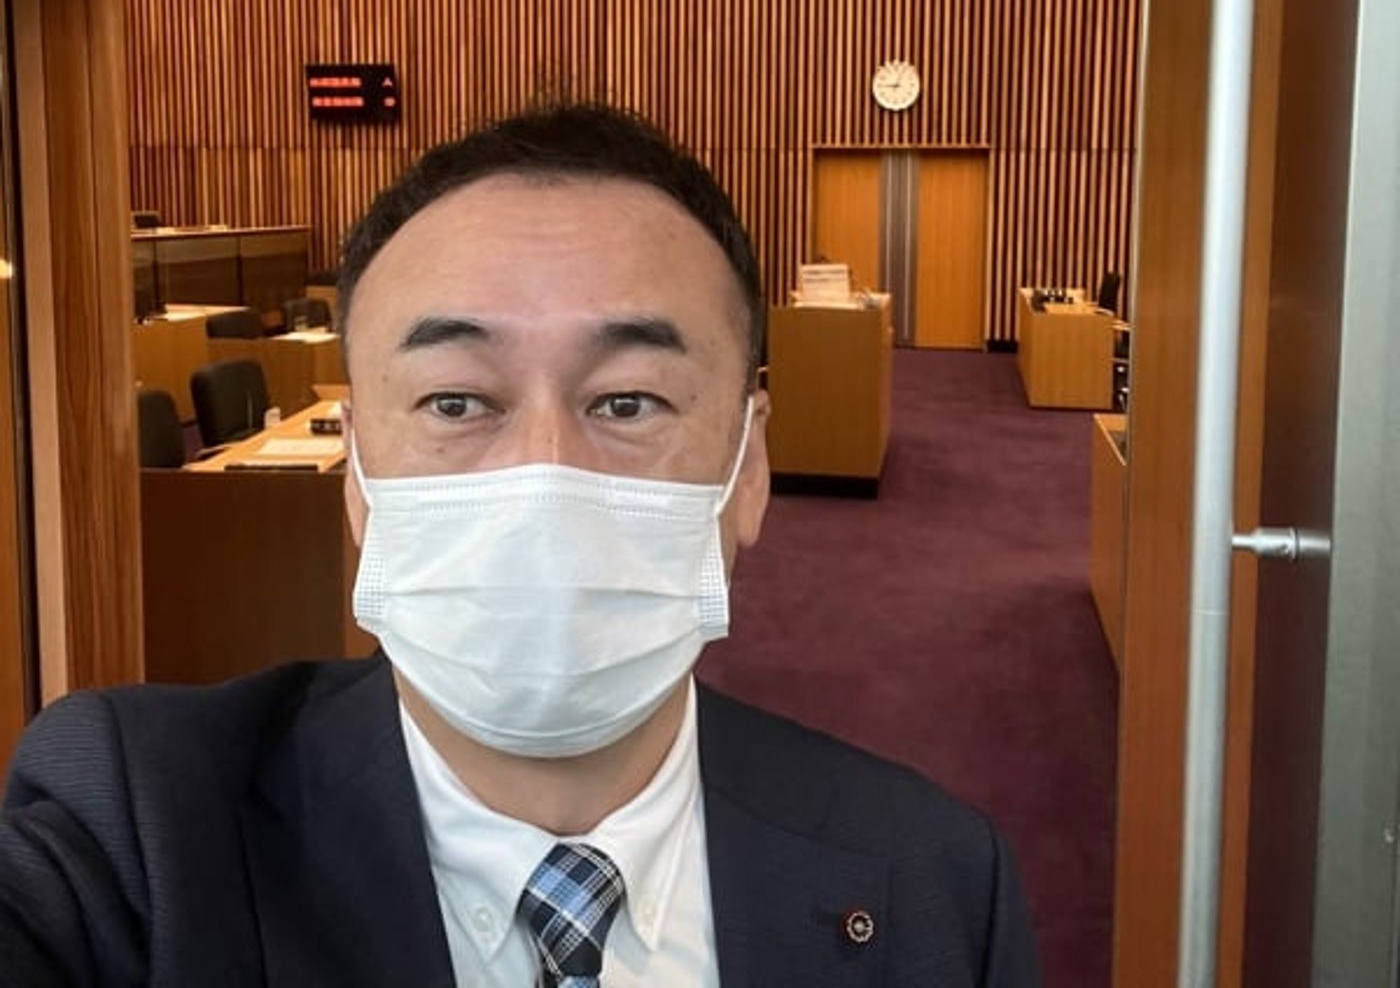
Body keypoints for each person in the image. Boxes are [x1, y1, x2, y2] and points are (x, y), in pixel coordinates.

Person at [0, 103, 1039, 986]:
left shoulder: (940, 883)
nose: (544, 471)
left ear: (749, 471)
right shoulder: (132, 829)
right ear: (357, 480)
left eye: (627, 401)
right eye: (456, 401)